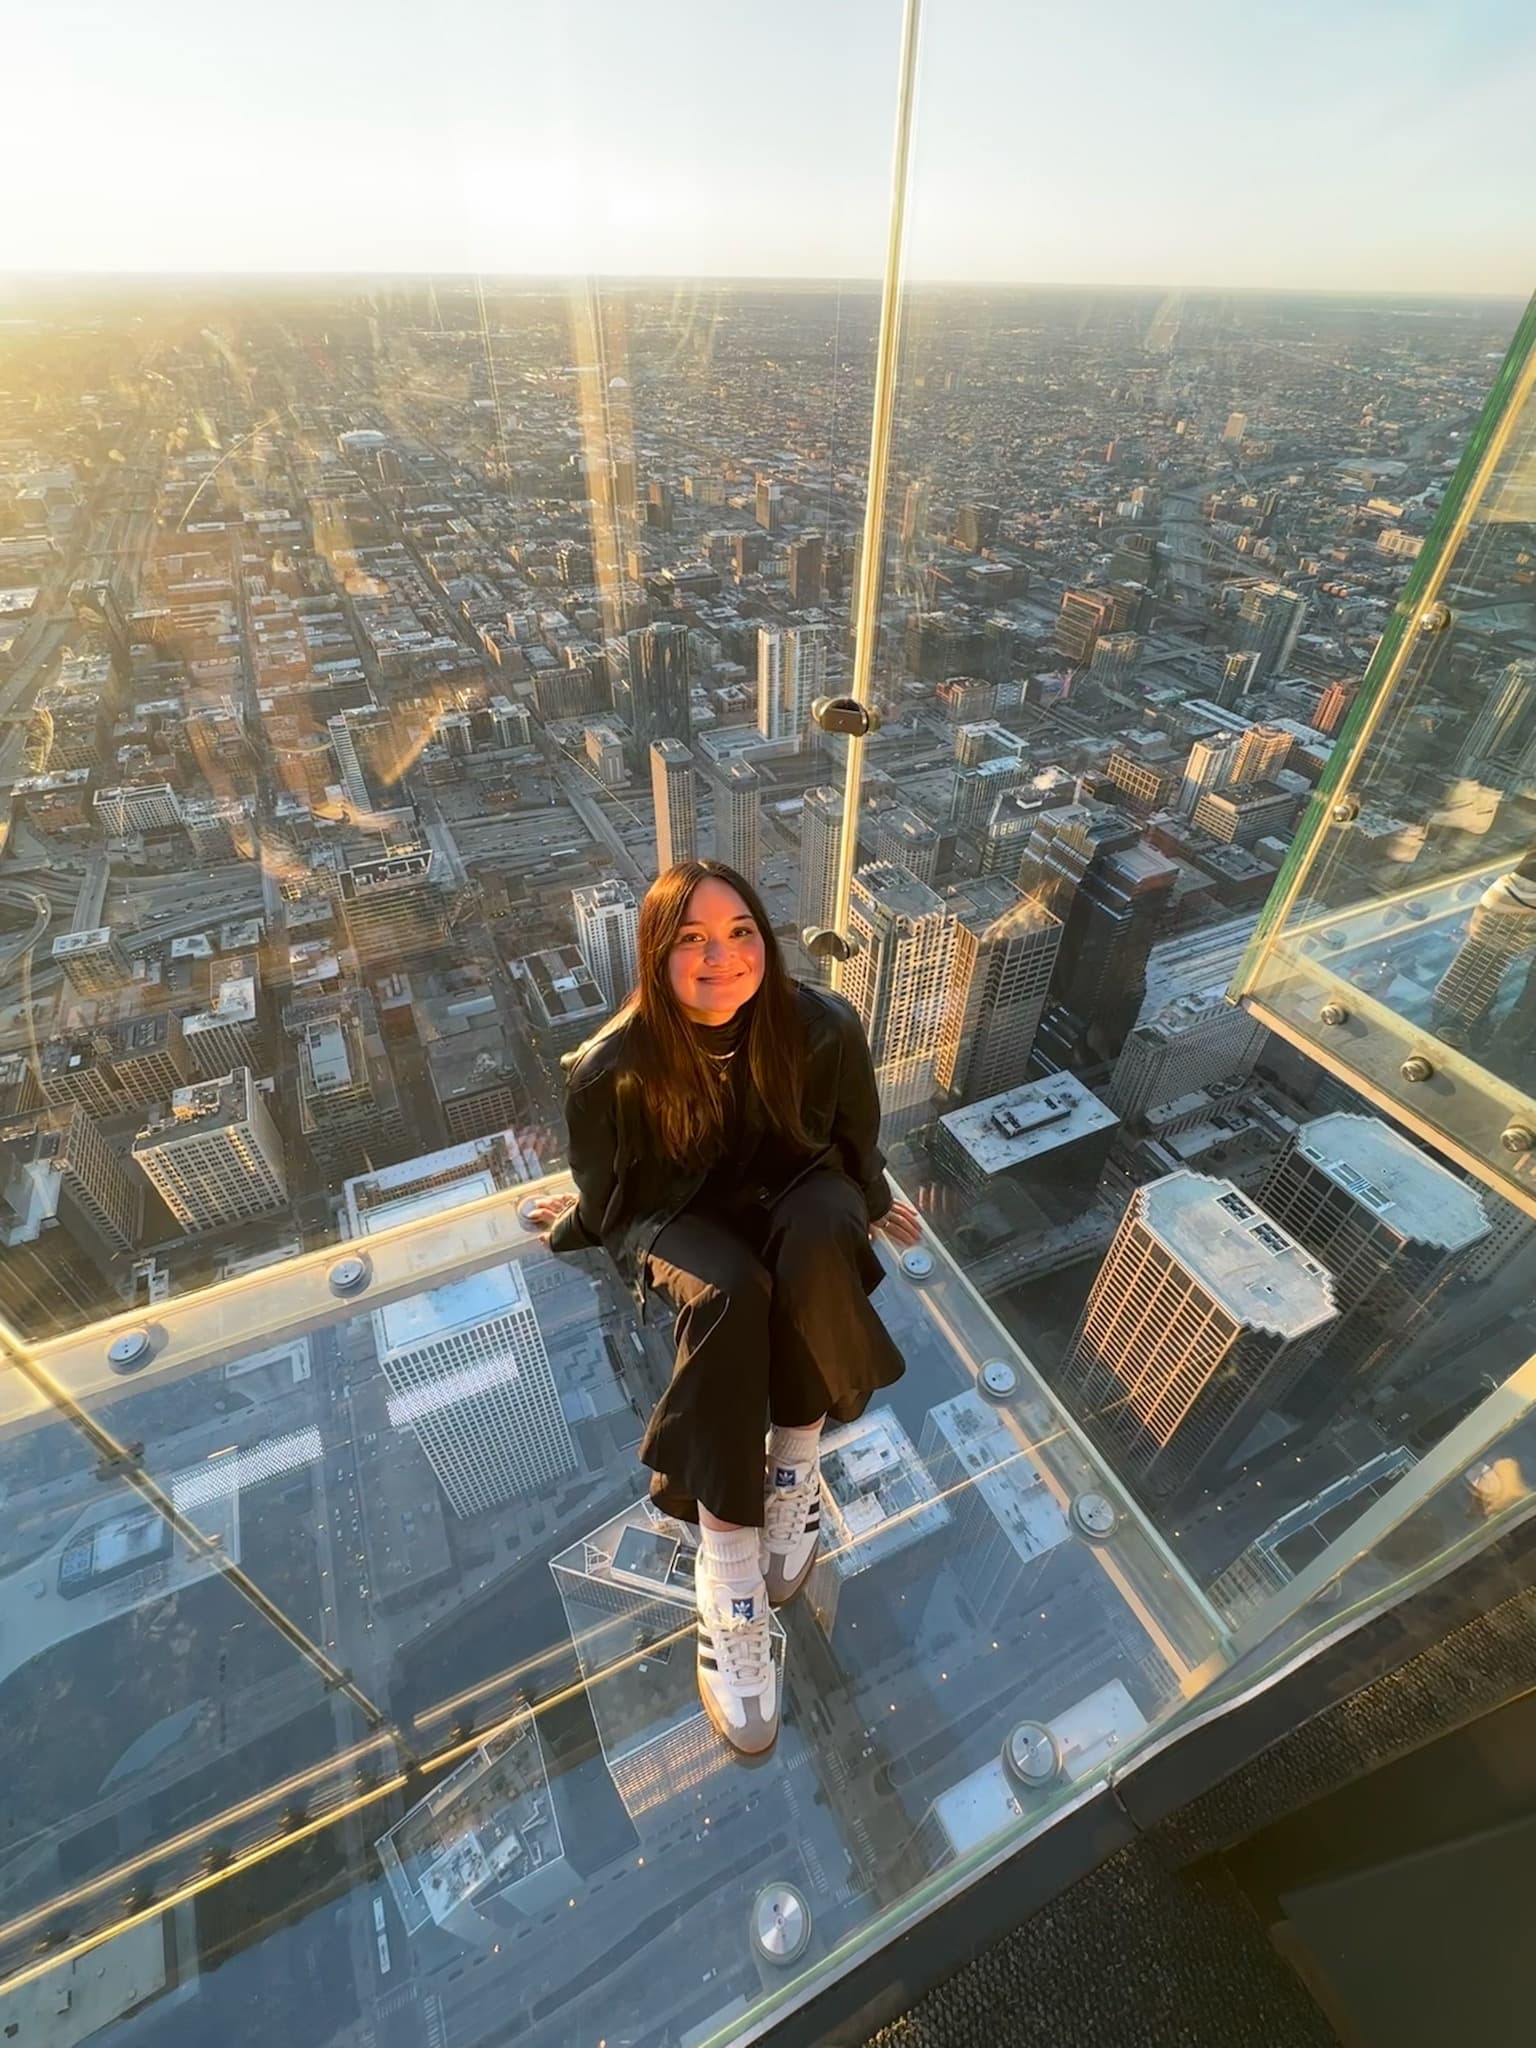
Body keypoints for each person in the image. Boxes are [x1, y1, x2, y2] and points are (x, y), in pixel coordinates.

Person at [526, 859, 921, 1757]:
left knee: (823, 1234)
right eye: (693, 938)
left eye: (740, 930)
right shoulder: (608, 1071)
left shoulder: (822, 1026)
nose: (722, 955)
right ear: (657, 956)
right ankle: (730, 1572)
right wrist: (572, 1226)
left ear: (765, 939)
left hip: (796, 1187)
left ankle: (793, 1465)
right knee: (732, 1290)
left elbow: (857, 1145)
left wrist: (873, 1201)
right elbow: (612, 1201)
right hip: (682, 1218)